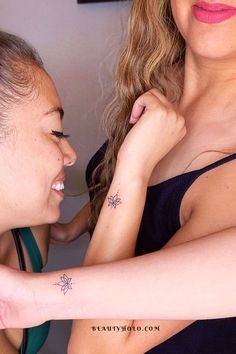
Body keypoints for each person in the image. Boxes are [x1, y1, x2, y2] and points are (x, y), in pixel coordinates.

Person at [1, 0, 236, 352]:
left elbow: (96, 348)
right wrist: (78, 221)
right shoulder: (161, 81)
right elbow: (150, 197)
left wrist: (134, 169)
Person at [0, 30, 76, 354]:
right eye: (55, 133)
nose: (70, 154)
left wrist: (72, 228)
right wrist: (133, 171)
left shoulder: (31, 227)